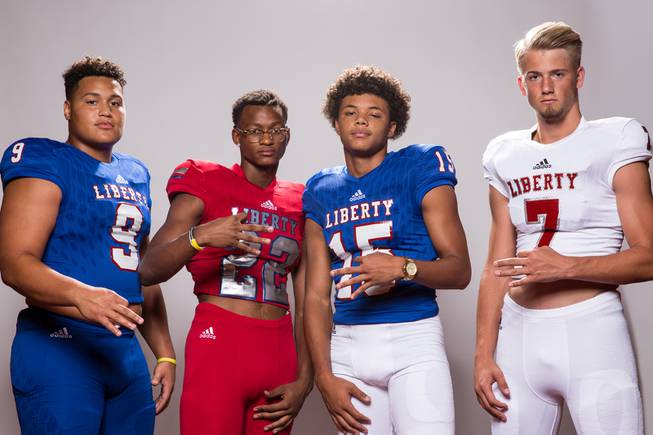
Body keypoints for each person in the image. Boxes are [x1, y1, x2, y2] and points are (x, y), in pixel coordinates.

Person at [475, 21, 650, 434]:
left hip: (591, 332)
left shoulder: (615, 138)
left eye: (558, 74)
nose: (547, 86)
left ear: (578, 77)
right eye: (535, 76)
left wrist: (565, 266)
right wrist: (484, 353)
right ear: (523, 85)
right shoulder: (504, 152)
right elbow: (494, 266)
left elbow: (649, 257)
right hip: (517, 337)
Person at [0, 56, 175, 434]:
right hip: (60, 344)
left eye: (115, 102)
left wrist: (164, 351)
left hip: (124, 352)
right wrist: (81, 294)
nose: (105, 111)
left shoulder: (135, 173)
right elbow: (14, 263)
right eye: (91, 101)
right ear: (68, 108)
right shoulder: (44, 159)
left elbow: (142, 267)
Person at [303, 65, 471, 435]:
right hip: (346, 347)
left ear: (392, 126)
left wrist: (403, 268)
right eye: (350, 113)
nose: (361, 121)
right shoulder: (320, 188)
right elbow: (315, 297)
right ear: (336, 122)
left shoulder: (419, 165)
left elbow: (460, 270)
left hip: (412, 339)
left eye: (374, 114)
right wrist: (323, 376)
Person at [138, 90, 313, 435]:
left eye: (275, 130)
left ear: (287, 135)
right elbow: (148, 268)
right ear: (236, 136)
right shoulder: (205, 181)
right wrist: (199, 237)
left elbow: (309, 300)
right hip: (221, 342)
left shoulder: (301, 200)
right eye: (253, 131)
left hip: (280, 353)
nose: (266, 139)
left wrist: (305, 380)